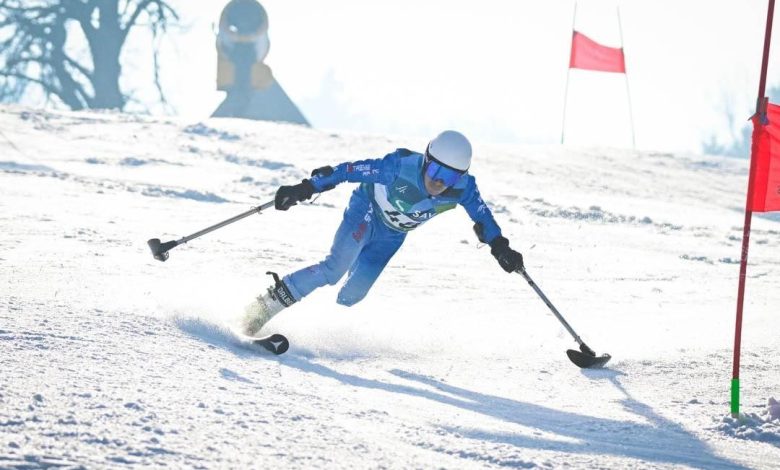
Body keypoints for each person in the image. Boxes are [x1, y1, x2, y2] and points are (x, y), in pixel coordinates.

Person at [242, 130, 524, 335]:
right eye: (436, 169)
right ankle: (263, 307)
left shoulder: (465, 189)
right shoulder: (398, 167)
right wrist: (307, 187)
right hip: (366, 212)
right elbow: (347, 170)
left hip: (391, 236)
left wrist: (500, 246)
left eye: (450, 176)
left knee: (351, 296)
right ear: (426, 160)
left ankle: (313, 328)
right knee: (333, 270)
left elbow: (483, 217)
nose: (439, 181)